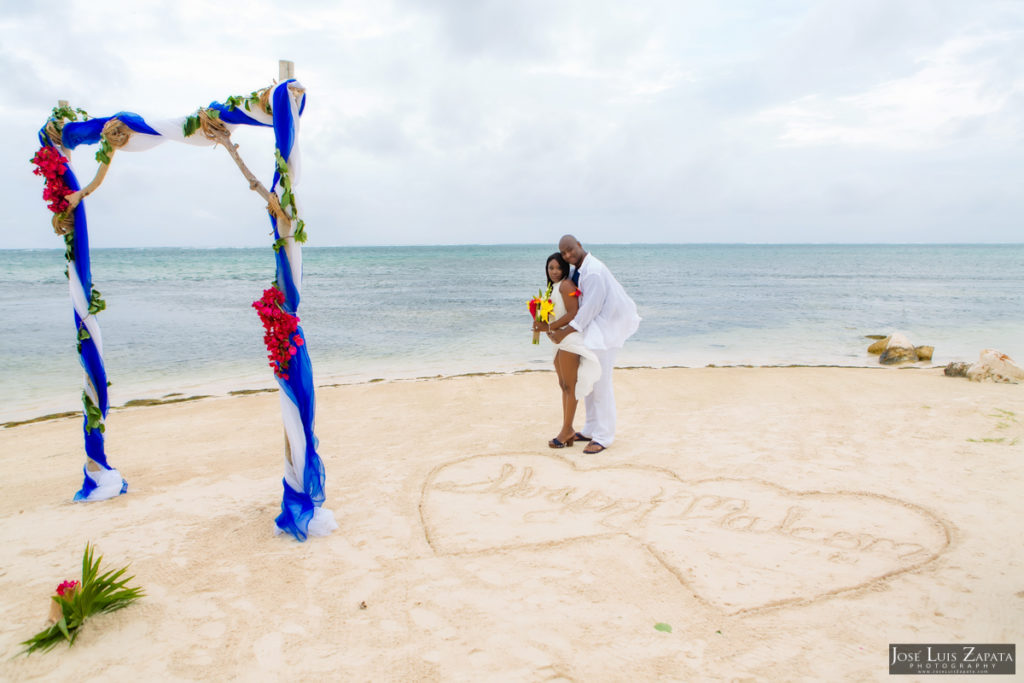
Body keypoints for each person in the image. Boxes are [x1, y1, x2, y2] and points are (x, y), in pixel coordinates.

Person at [547, 235, 640, 454]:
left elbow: (590, 308)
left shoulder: (594, 271)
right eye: (564, 253)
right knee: (588, 378)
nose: (568, 255)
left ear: (579, 245)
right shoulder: (577, 269)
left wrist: (564, 332)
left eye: (571, 250)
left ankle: (604, 436)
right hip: (592, 331)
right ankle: (590, 428)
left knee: (601, 384)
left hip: (605, 332)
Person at [533, 253, 601, 449]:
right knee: (563, 385)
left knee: (569, 386)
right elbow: (556, 313)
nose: (554, 271)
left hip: (569, 339)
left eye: (558, 268)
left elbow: (574, 313)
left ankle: (567, 430)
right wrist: (541, 323)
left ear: (565, 268)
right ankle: (567, 430)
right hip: (559, 340)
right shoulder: (552, 288)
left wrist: (549, 328)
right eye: (550, 268)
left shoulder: (566, 285)